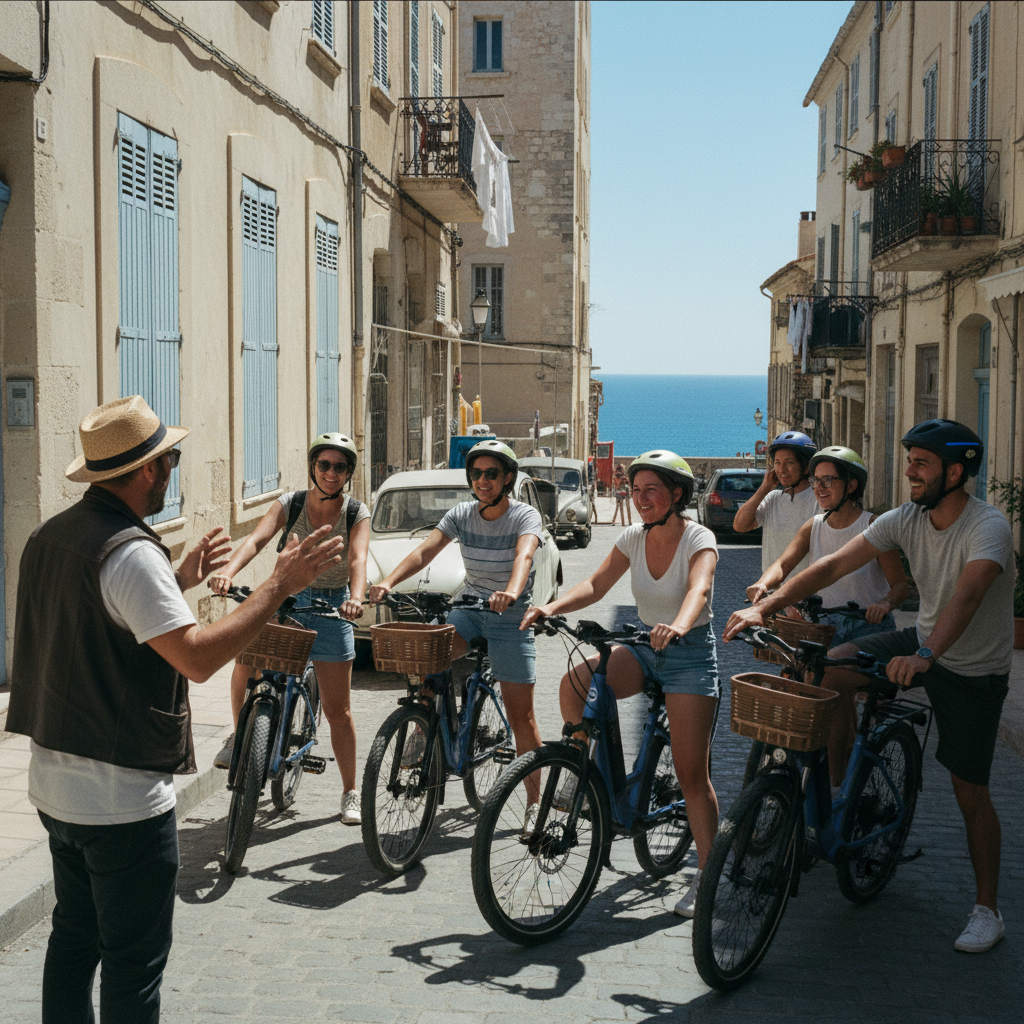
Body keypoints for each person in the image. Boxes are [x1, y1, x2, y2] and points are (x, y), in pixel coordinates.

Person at [5, 396, 343, 1023]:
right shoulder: (131, 554)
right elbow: (196, 659)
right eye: (170, 461)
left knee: (72, 943)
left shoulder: (51, 535)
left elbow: (98, 620)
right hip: (121, 803)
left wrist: (176, 580)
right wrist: (278, 584)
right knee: (133, 969)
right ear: (145, 472)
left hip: (54, 789)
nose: (173, 471)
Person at [724, 420, 1012, 954]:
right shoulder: (905, 518)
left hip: (971, 666)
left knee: (969, 790)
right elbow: (833, 564)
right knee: (827, 669)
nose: (909, 471)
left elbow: (968, 596)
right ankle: (836, 788)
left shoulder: (986, 526)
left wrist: (926, 655)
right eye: (909, 460)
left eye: (920, 463)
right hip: (920, 639)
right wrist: (763, 604)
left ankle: (987, 908)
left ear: (955, 471)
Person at [521, 450, 720, 919]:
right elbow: (596, 584)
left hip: (688, 655)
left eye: (653, 490)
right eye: (637, 490)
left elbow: (700, 590)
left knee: (692, 775)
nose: (643, 498)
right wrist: (552, 607)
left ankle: (710, 878)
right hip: (647, 648)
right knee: (576, 683)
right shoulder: (633, 537)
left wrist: (679, 624)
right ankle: (594, 784)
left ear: (676, 495)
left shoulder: (699, 537)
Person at [368, 440, 545, 823]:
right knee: (426, 650)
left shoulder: (524, 516)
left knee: (522, 718)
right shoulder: (462, 513)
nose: (483, 480)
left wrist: (513, 591)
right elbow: (424, 552)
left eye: (491, 474)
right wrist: (388, 582)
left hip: (509, 615)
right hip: (469, 608)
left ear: (507, 478)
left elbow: (524, 555)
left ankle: (535, 804)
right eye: (477, 473)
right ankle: (424, 718)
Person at [208, 433, 369, 825]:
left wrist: (357, 598)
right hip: (284, 597)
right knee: (246, 663)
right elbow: (257, 540)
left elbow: (358, 559)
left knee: (338, 709)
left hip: (333, 605)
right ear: (313, 467)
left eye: (340, 467)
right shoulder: (291, 503)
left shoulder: (356, 512)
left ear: (348, 473)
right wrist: (228, 572)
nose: (331, 473)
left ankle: (350, 791)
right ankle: (239, 735)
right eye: (324, 465)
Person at [745, 446, 909, 783]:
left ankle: (835, 790)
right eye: (816, 481)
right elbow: (783, 564)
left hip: (868, 627)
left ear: (850, 486)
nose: (819, 488)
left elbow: (901, 585)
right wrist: (763, 583)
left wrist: (887, 604)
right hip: (826, 627)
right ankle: (828, 769)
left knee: (829, 687)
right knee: (809, 685)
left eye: (828, 481)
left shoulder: (873, 527)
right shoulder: (813, 526)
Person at [733, 430, 819, 575]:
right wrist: (764, 489)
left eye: (789, 463)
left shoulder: (818, 500)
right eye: (777, 463)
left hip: (805, 593)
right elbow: (740, 525)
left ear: (806, 467)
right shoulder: (772, 498)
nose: (781, 469)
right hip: (770, 590)